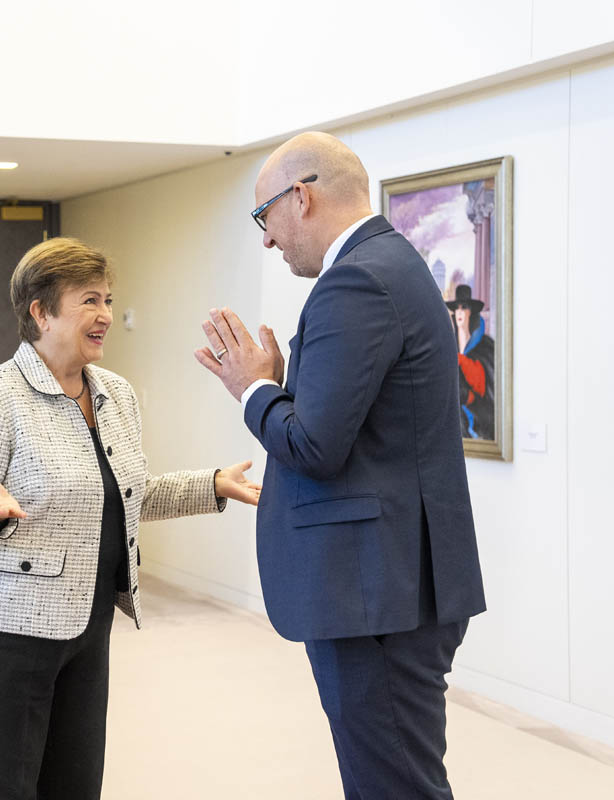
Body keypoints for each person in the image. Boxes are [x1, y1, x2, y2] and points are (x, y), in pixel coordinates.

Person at [194, 132, 486, 800]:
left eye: (263, 217)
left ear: (300, 197)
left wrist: (254, 388)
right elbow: (354, 427)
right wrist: (277, 386)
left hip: (375, 593)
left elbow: (315, 447)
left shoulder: (355, 280)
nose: (266, 240)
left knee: (394, 786)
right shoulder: (391, 265)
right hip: (392, 582)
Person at [0, 237, 261, 800]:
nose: (106, 315)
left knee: (75, 782)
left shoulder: (116, 394)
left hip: (85, 622)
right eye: (90, 300)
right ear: (40, 311)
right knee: (2, 786)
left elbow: (121, 496)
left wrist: (210, 485)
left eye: (108, 300)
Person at [447, 284, 495, 440]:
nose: (460, 311)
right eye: (457, 308)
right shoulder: (449, 345)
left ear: (471, 312)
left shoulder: (485, 345)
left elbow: (483, 387)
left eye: (464, 307)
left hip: (480, 415)